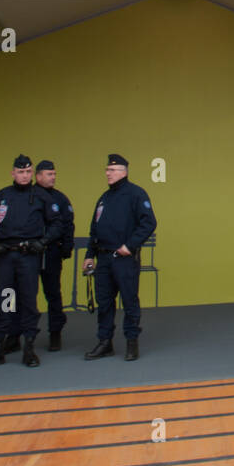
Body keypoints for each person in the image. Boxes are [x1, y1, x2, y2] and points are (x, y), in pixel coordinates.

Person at [0, 154, 62, 369]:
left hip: (29, 257)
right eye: (20, 172)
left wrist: (43, 242)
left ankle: (29, 347)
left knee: (28, 301)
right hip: (6, 257)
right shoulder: (3, 196)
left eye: (28, 172)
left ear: (32, 173)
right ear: (13, 173)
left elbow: (58, 223)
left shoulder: (41, 196)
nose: (24, 175)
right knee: (6, 300)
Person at [83, 154, 157, 362]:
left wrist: (130, 245)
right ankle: (105, 342)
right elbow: (94, 229)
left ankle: (132, 343)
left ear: (123, 172)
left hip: (123, 259)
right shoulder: (104, 198)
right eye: (107, 170)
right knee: (104, 302)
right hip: (104, 258)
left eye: (112, 170)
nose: (108, 173)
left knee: (129, 301)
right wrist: (90, 255)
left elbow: (149, 223)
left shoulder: (136, 194)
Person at [35, 159, 76, 350]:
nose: (53, 177)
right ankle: (15, 333)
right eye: (49, 174)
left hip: (51, 253)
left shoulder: (60, 199)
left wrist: (66, 248)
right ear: (38, 176)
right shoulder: (29, 195)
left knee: (53, 293)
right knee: (20, 295)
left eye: (54, 174)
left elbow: (68, 225)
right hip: (29, 254)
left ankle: (55, 332)